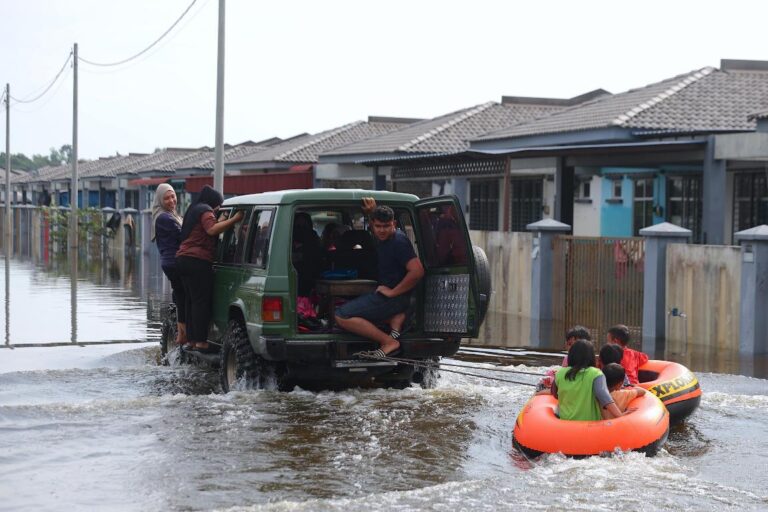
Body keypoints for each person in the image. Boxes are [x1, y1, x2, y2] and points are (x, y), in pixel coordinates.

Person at [335, 198, 425, 358]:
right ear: (372, 226)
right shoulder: (383, 238)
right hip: (391, 297)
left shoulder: (398, 241)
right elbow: (377, 226)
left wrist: (393, 293)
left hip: (393, 298)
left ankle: (388, 341)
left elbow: (417, 271)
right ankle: (395, 318)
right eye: (378, 226)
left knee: (341, 315)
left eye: (386, 226)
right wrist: (372, 211)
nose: (382, 230)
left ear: (394, 224)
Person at [176, 185, 243, 352]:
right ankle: (201, 342)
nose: (218, 209)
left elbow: (207, 229)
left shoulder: (194, 209)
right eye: (218, 206)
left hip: (182, 260)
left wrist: (223, 219)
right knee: (201, 302)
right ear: (213, 202)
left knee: (191, 301)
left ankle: (191, 340)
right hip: (197, 261)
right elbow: (212, 229)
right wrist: (235, 219)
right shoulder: (206, 210)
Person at [551, 339, 626, 421]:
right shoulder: (596, 374)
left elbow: (555, 394)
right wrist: (621, 416)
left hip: (564, 424)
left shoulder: (560, 373)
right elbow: (605, 398)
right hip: (588, 425)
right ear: (591, 357)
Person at [151, 183, 187, 346]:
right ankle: (183, 334)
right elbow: (182, 235)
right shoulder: (164, 217)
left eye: (173, 196)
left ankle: (181, 333)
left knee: (180, 294)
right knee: (184, 294)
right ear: (160, 200)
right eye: (167, 198)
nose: (172, 200)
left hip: (171, 262)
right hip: (174, 262)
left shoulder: (170, 214)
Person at [536, 325, 591, 393]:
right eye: (569, 344)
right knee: (544, 381)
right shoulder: (566, 359)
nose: (572, 348)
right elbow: (563, 378)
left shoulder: (592, 364)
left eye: (577, 344)